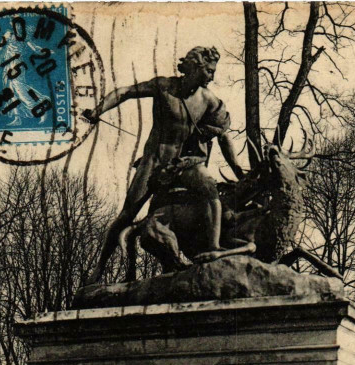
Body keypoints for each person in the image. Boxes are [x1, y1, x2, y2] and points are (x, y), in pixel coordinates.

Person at [83, 45, 244, 284]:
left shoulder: (208, 100)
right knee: (127, 215)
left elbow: (223, 135)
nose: (212, 76)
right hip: (155, 162)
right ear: (196, 67)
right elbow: (125, 92)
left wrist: (239, 170)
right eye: (209, 71)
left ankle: (214, 246)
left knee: (209, 187)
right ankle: (99, 268)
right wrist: (98, 110)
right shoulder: (164, 86)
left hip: (184, 164)